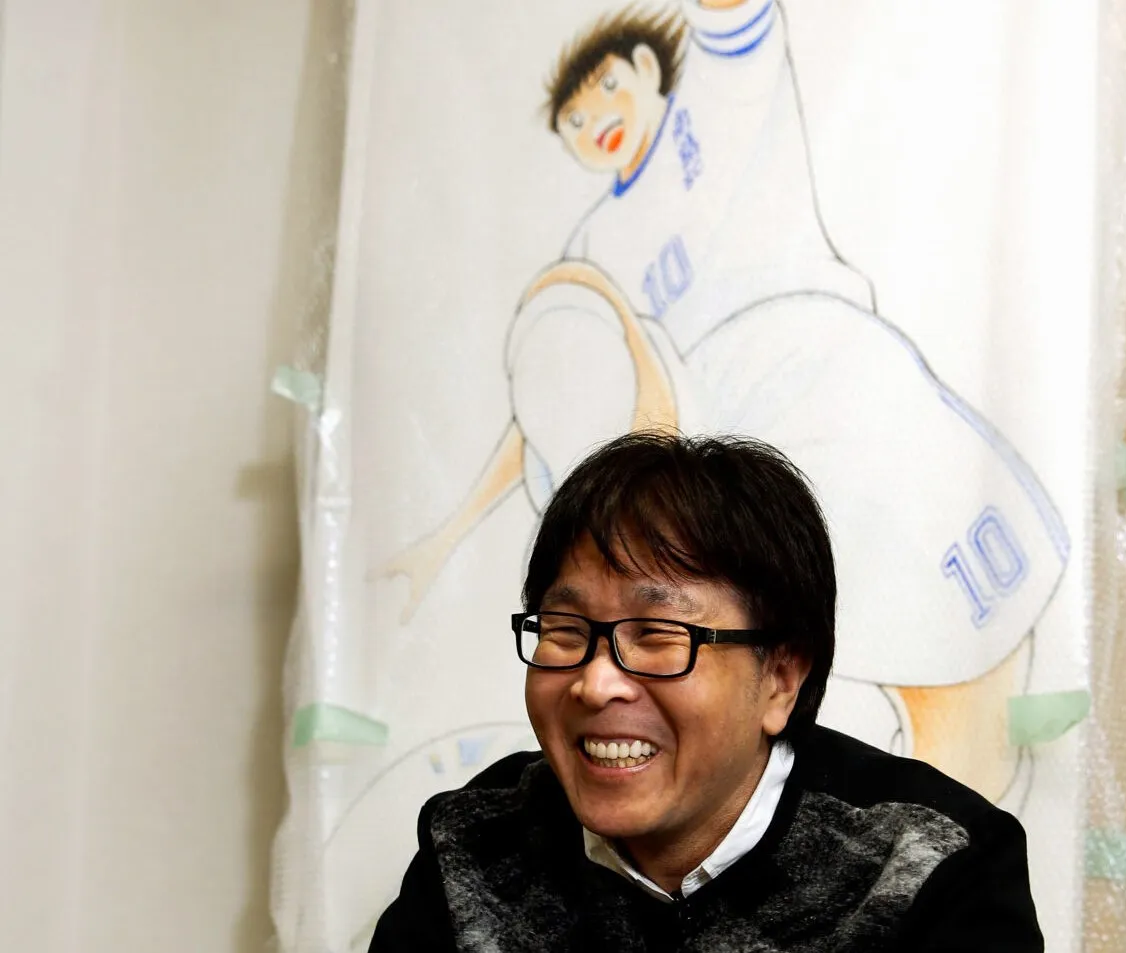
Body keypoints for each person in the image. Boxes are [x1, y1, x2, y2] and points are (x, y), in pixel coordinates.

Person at [379, 0, 1069, 806]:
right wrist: (444, 535)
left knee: (950, 658)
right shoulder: (595, 249)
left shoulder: (711, 117)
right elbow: (538, 413)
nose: (595, 122)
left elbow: (735, 29)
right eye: (575, 122)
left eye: (606, 90)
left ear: (646, 69)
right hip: (714, 452)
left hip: (825, 384)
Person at [369, 432, 1043, 951]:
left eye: (656, 635)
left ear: (780, 678)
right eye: (566, 630)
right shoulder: (475, 844)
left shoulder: (930, 866)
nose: (595, 683)